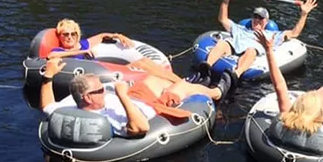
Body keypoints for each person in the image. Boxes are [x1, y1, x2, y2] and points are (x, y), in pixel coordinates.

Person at [38, 56, 232, 135]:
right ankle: (216, 92)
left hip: (135, 97)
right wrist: (122, 97)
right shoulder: (103, 120)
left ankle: (200, 81)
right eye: (100, 90)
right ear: (88, 97)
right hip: (146, 106)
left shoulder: (72, 104)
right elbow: (141, 127)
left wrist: (48, 76)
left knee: (154, 77)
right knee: (181, 87)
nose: (104, 90)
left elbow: (47, 106)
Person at [200, 0, 317, 77]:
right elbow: (223, 18)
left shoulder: (272, 35)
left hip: (250, 51)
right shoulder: (241, 29)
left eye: (260, 18)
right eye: (255, 16)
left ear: (266, 21)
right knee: (223, 43)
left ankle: (236, 74)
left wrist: (304, 14)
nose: (257, 19)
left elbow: (294, 33)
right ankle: (206, 67)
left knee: (251, 50)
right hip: (234, 48)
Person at [45, 19, 136, 60]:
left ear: (77, 35)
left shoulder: (84, 44)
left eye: (73, 34)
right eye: (65, 34)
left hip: (101, 71)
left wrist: (118, 35)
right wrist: (81, 52)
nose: (69, 37)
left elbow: (101, 36)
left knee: (143, 62)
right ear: (59, 36)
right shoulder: (60, 50)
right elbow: (51, 56)